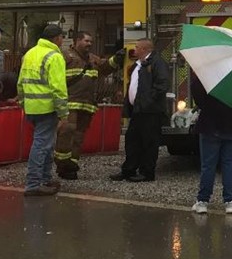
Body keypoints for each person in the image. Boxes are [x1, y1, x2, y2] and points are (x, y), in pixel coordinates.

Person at [54, 32, 125, 180]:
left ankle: (72, 165)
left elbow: (104, 69)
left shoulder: (92, 59)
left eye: (91, 41)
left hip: (86, 105)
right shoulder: (64, 56)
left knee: (78, 137)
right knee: (67, 133)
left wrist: (116, 59)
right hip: (70, 103)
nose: (89, 44)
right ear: (77, 41)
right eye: (86, 41)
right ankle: (63, 164)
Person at [18, 24, 69, 197]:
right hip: (46, 108)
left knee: (46, 144)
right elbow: (58, 88)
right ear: (56, 39)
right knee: (41, 145)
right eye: (62, 37)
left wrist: (23, 102)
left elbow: (20, 82)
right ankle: (33, 184)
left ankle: (45, 179)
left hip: (31, 107)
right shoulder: (54, 56)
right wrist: (63, 113)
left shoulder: (30, 53)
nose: (63, 40)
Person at [110, 38, 170, 183]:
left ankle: (147, 172)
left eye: (137, 47)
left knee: (149, 142)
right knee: (132, 141)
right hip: (138, 110)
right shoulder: (139, 64)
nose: (134, 50)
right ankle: (128, 170)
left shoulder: (157, 63)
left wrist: (148, 101)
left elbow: (162, 84)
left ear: (144, 49)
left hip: (150, 111)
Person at [189, 74, 232, 215]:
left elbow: (196, 91)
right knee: (229, 164)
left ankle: (202, 202)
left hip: (211, 124)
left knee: (208, 165)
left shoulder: (210, 72)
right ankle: (230, 202)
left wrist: (206, 105)